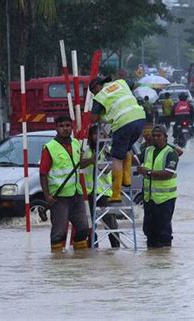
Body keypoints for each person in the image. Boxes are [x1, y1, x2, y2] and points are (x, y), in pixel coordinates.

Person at [89, 76, 146, 203]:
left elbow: (93, 119)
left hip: (123, 123)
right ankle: (126, 179)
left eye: (93, 92)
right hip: (140, 118)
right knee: (126, 149)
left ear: (96, 87)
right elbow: (135, 84)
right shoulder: (121, 82)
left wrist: (102, 114)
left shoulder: (100, 96)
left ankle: (116, 193)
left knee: (116, 158)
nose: (94, 94)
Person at [40, 115, 90, 252]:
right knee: (59, 232)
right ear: (56, 128)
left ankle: (78, 260)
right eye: (61, 126)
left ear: (71, 127)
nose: (65, 129)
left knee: (83, 228)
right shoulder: (49, 148)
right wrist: (47, 196)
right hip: (59, 196)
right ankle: (57, 262)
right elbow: (43, 174)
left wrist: (92, 160)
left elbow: (78, 164)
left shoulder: (75, 144)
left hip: (76, 193)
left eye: (67, 126)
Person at [137, 125, 179, 248]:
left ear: (165, 137)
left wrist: (148, 172)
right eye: (153, 136)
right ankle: (152, 260)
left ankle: (164, 259)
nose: (155, 138)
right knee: (149, 231)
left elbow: (168, 173)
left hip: (165, 198)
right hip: (149, 198)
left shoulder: (171, 153)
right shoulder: (148, 151)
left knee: (163, 231)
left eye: (158, 136)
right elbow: (133, 159)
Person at [82, 125, 120, 248]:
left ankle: (116, 247)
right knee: (89, 225)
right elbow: (79, 165)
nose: (98, 137)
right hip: (89, 192)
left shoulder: (108, 151)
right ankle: (93, 247)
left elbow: (109, 169)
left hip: (104, 192)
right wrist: (91, 160)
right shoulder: (86, 151)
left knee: (110, 223)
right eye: (95, 134)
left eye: (101, 134)